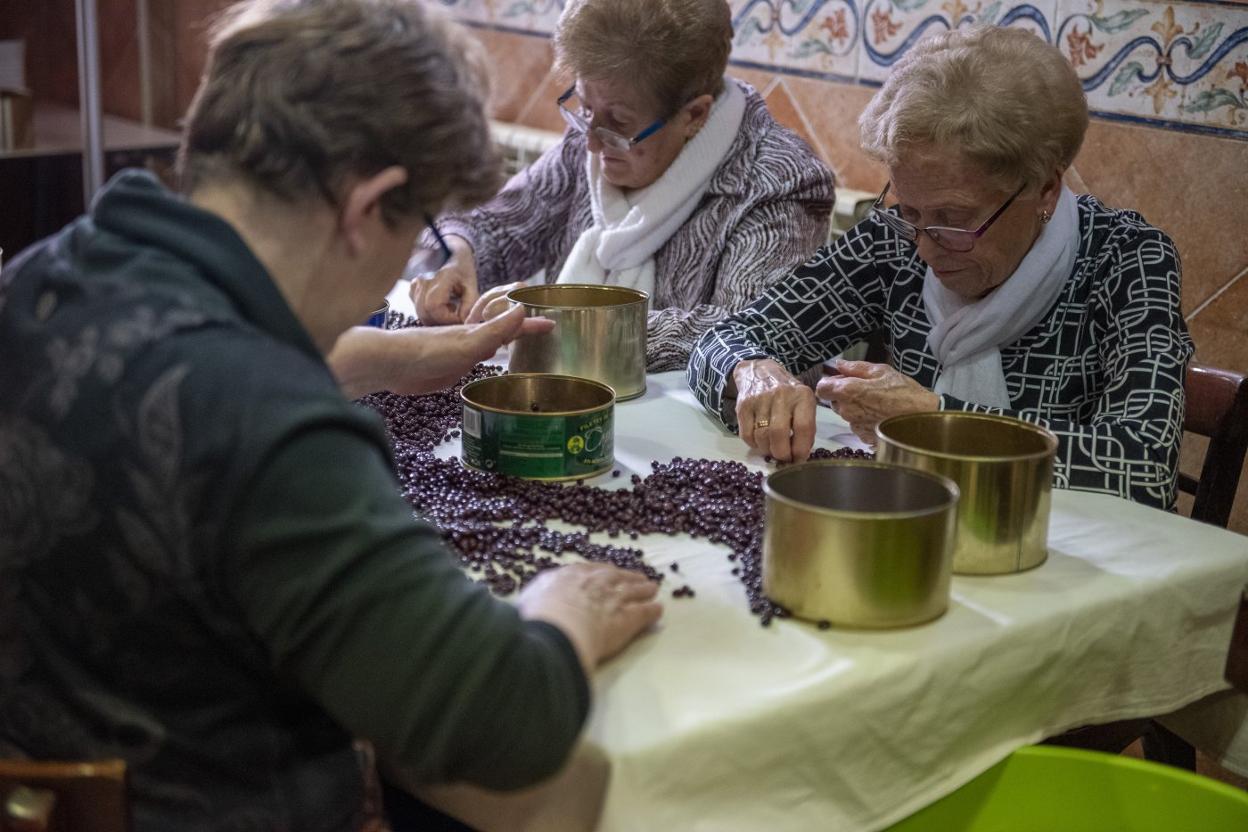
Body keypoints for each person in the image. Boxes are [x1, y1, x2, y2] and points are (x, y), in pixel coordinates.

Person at [0, 2, 661, 830]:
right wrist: (563, 607)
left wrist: (389, 359)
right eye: (415, 229)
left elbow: (164, 368)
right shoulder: (275, 427)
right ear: (366, 207)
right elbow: (505, 721)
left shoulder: (38, 279)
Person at [688, 25, 1194, 511]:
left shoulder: (1126, 258)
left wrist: (935, 421)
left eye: (954, 220)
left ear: (1044, 187)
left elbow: (1142, 464)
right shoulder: (895, 240)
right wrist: (752, 370)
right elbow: (726, 337)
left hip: (1075, 556)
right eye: (910, 211)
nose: (926, 248)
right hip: (915, 527)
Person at [411, 0, 836, 372]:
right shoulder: (592, 135)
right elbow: (502, 223)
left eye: (619, 124)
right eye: (582, 105)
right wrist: (457, 256)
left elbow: (749, 332)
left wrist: (562, 320)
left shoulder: (777, 180)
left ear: (694, 116)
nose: (592, 141)